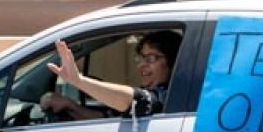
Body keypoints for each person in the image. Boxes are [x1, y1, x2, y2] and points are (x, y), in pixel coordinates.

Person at [40, 30, 182, 121]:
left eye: (150, 59)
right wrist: (70, 105)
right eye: (140, 58)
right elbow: (106, 118)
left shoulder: (172, 95)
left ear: (172, 61)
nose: (141, 65)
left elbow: (137, 101)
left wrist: (79, 81)